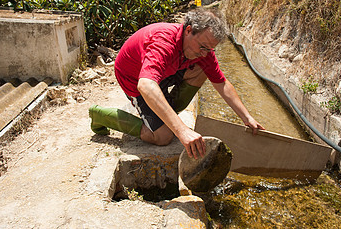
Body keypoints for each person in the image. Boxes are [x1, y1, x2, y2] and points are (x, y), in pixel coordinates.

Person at [89, 9, 265, 159]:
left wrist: (246, 117)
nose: (205, 54)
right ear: (188, 30)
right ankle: (100, 115)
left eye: (209, 49)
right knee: (163, 136)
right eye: (203, 47)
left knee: (204, 69)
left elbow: (221, 82)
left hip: (166, 71)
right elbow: (146, 85)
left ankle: (166, 111)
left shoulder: (201, 50)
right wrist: (182, 130)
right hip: (134, 78)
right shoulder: (164, 42)